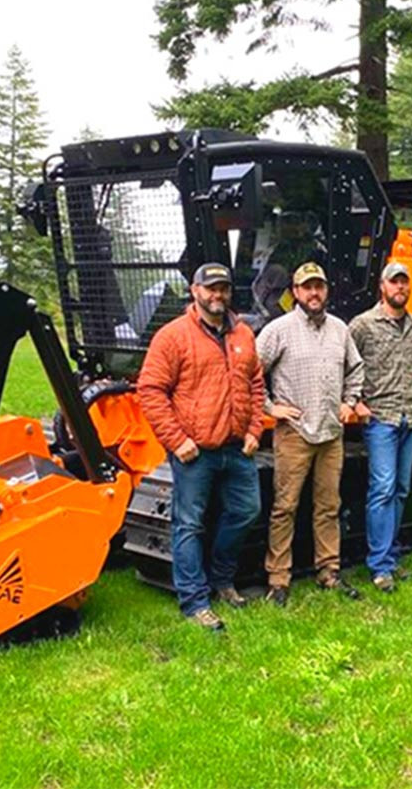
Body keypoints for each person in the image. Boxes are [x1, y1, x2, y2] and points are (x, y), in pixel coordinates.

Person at [136, 262, 266, 631]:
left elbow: (256, 384)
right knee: (189, 524)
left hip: (237, 447)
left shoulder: (243, 334)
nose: (217, 295)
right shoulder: (173, 336)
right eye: (210, 288)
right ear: (195, 291)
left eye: (223, 288)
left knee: (245, 511)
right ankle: (195, 601)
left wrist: (255, 429)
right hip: (195, 452)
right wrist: (177, 441)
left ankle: (222, 579)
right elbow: (150, 390)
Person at [255, 262, 365, 607]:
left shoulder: (339, 330)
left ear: (326, 290)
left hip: (331, 433)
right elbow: (250, 374)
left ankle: (328, 569)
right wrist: (270, 408)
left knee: (328, 506)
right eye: (307, 287)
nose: (314, 293)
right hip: (294, 434)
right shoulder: (278, 330)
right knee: (285, 507)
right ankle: (278, 578)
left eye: (319, 286)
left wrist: (350, 401)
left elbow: (356, 367)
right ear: (296, 291)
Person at [348, 261, 412, 594]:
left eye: (404, 282)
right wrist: (355, 403)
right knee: (382, 489)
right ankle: (380, 565)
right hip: (381, 419)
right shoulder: (363, 325)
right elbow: (345, 364)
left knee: (400, 489)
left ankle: (390, 556)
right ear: (382, 287)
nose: (400, 287)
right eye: (394, 282)